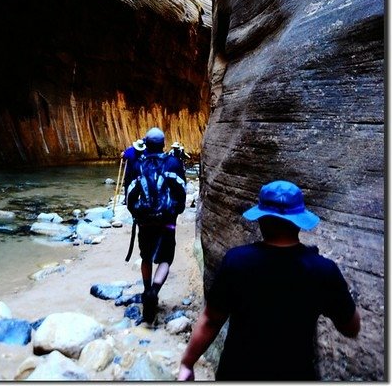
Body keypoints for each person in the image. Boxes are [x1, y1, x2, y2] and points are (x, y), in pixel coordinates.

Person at [178, 180, 360, 381]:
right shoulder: (322, 270)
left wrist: (187, 363)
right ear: (299, 221)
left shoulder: (236, 262)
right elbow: (351, 328)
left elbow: (212, 320)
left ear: (261, 219)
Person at [126, 126, 187, 323]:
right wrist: (177, 210)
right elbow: (181, 190)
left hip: (144, 221)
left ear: (145, 143)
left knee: (145, 257)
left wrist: (136, 214)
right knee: (165, 259)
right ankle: (154, 290)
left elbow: (129, 194)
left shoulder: (136, 164)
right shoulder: (173, 162)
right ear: (163, 144)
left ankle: (146, 291)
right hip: (167, 220)